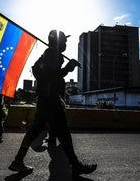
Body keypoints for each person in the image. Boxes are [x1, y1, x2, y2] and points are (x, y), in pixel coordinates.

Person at [8, 30, 97, 176]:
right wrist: (68, 68)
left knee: (34, 131)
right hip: (50, 101)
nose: (66, 44)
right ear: (58, 42)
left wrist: (66, 68)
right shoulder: (53, 55)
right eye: (64, 41)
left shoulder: (48, 54)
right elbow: (51, 77)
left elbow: (46, 75)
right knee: (64, 133)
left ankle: (18, 161)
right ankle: (75, 165)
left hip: (45, 100)